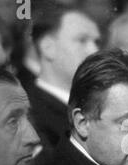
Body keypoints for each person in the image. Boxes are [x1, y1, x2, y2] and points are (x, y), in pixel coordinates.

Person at [30, 1, 100, 157]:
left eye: (96, 42)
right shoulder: (31, 113)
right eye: (82, 40)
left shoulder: (98, 104)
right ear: (48, 48)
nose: (94, 50)